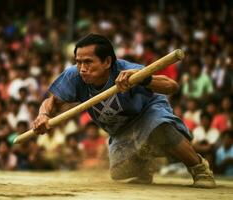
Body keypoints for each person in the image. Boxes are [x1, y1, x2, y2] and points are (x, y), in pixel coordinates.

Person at [32, 33, 216, 188]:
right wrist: (43, 115)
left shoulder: (128, 69)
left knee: (161, 128)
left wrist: (141, 79)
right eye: (78, 62)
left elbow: (172, 86)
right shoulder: (74, 75)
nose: (82, 68)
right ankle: (144, 166)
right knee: (120, 172)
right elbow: (52, 101)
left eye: (88, 62)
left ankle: (199, 169)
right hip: (121, 130)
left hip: (147, 112)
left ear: (107, 62)